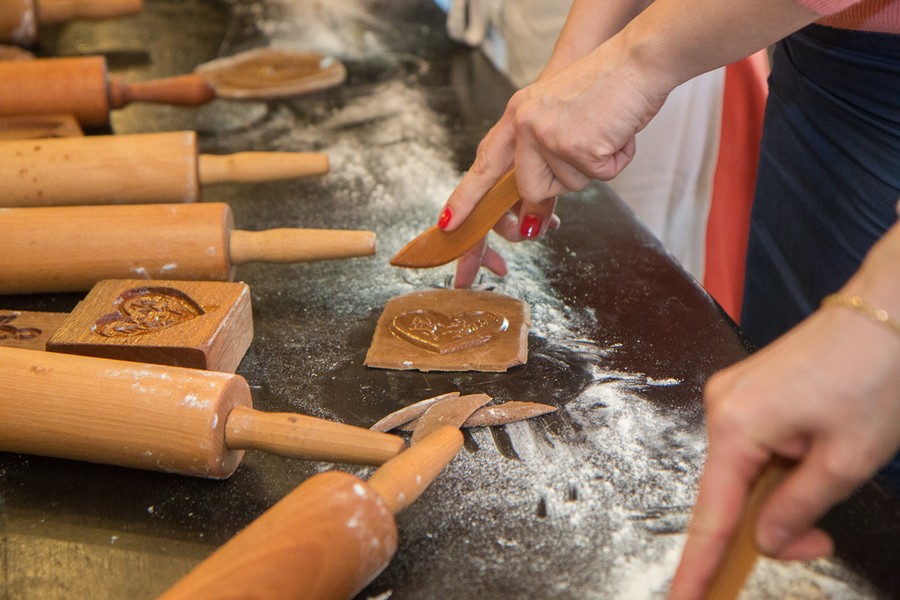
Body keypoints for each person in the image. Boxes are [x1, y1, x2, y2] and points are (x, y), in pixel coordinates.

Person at [429, 0, 900, 597]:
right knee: (785, 455)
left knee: (869, 506)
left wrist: (637, 59)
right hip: (816, 64)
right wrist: (567, 81)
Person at [435, 0, 770, 321]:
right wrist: (562, 78)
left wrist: (632, 67)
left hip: (702, 34)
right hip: (591, 32)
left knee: (650, 270)